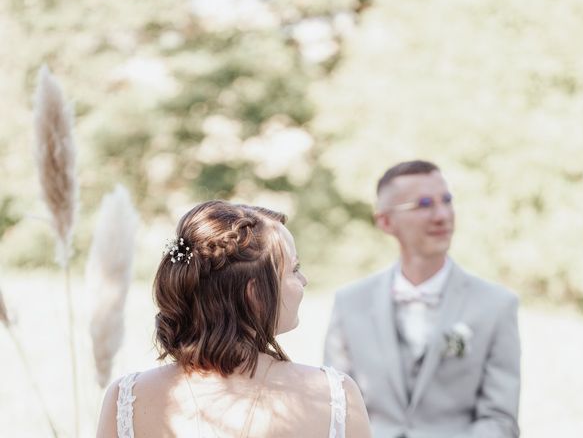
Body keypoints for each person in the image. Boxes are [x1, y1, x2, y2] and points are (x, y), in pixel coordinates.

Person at [97, 200, 371, 438]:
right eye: (294, 269)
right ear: (254, 293)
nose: (304, 280)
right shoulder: (333, 396)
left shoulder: (127, 399)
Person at [324, 160, 521, 438]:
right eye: (424, 204)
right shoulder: (349, 303)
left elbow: (499, 420)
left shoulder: (497, 305)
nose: (442, 215)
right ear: (386, 221)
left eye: (447, 200)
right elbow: (337, 409)